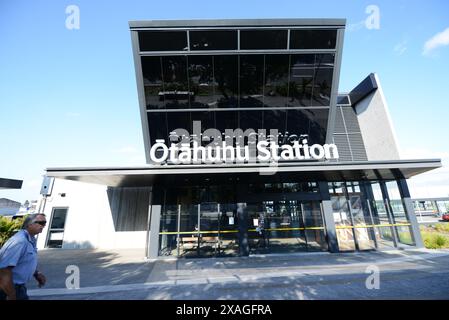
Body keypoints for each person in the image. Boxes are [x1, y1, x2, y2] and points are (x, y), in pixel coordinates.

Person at [0, 213, 47, 300]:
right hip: (7, 288)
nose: (43, 226)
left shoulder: (31, 239)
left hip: (19, 287)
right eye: (41, 223)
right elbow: (4, 269)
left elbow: (24, 260)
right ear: (29, 224)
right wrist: (11, 294)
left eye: (44, 223)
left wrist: (36, 273)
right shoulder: (20, 241)